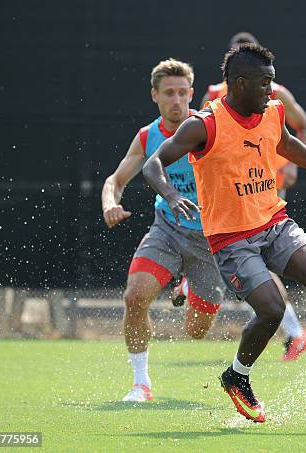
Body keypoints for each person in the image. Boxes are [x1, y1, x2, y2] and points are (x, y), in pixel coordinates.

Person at [143, 44, 306, 423]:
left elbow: (288, 145)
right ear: (239, 84)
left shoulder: (272, 112)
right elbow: (153, 163)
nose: (271, 91)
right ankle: (236, 377)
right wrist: (172, 194)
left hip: (274, 223)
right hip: (231, 239)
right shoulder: (204, 124)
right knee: (272, 310)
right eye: (265, 84)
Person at [101, 59, 225, 402]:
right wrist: (110, 202)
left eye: (183, 92)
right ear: (155, 95)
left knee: (196, 331)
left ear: (192, 94)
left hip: (210, 241)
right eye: (169, 93)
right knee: (135, 296)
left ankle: (186, 280)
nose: (177, 100)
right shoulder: (147, 136)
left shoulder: (208, 128)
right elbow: (115, 180)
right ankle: (141, 383)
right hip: (167, 229)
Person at [198, 31, 306, 360]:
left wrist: (292, 164)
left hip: (265, 186)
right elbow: (204, 145)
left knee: (259, 262)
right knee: (257, 266)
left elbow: (304, 127)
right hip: (230, 189)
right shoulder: (214, 98)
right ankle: (292, 331)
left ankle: (291, 331)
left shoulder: (276, 96)